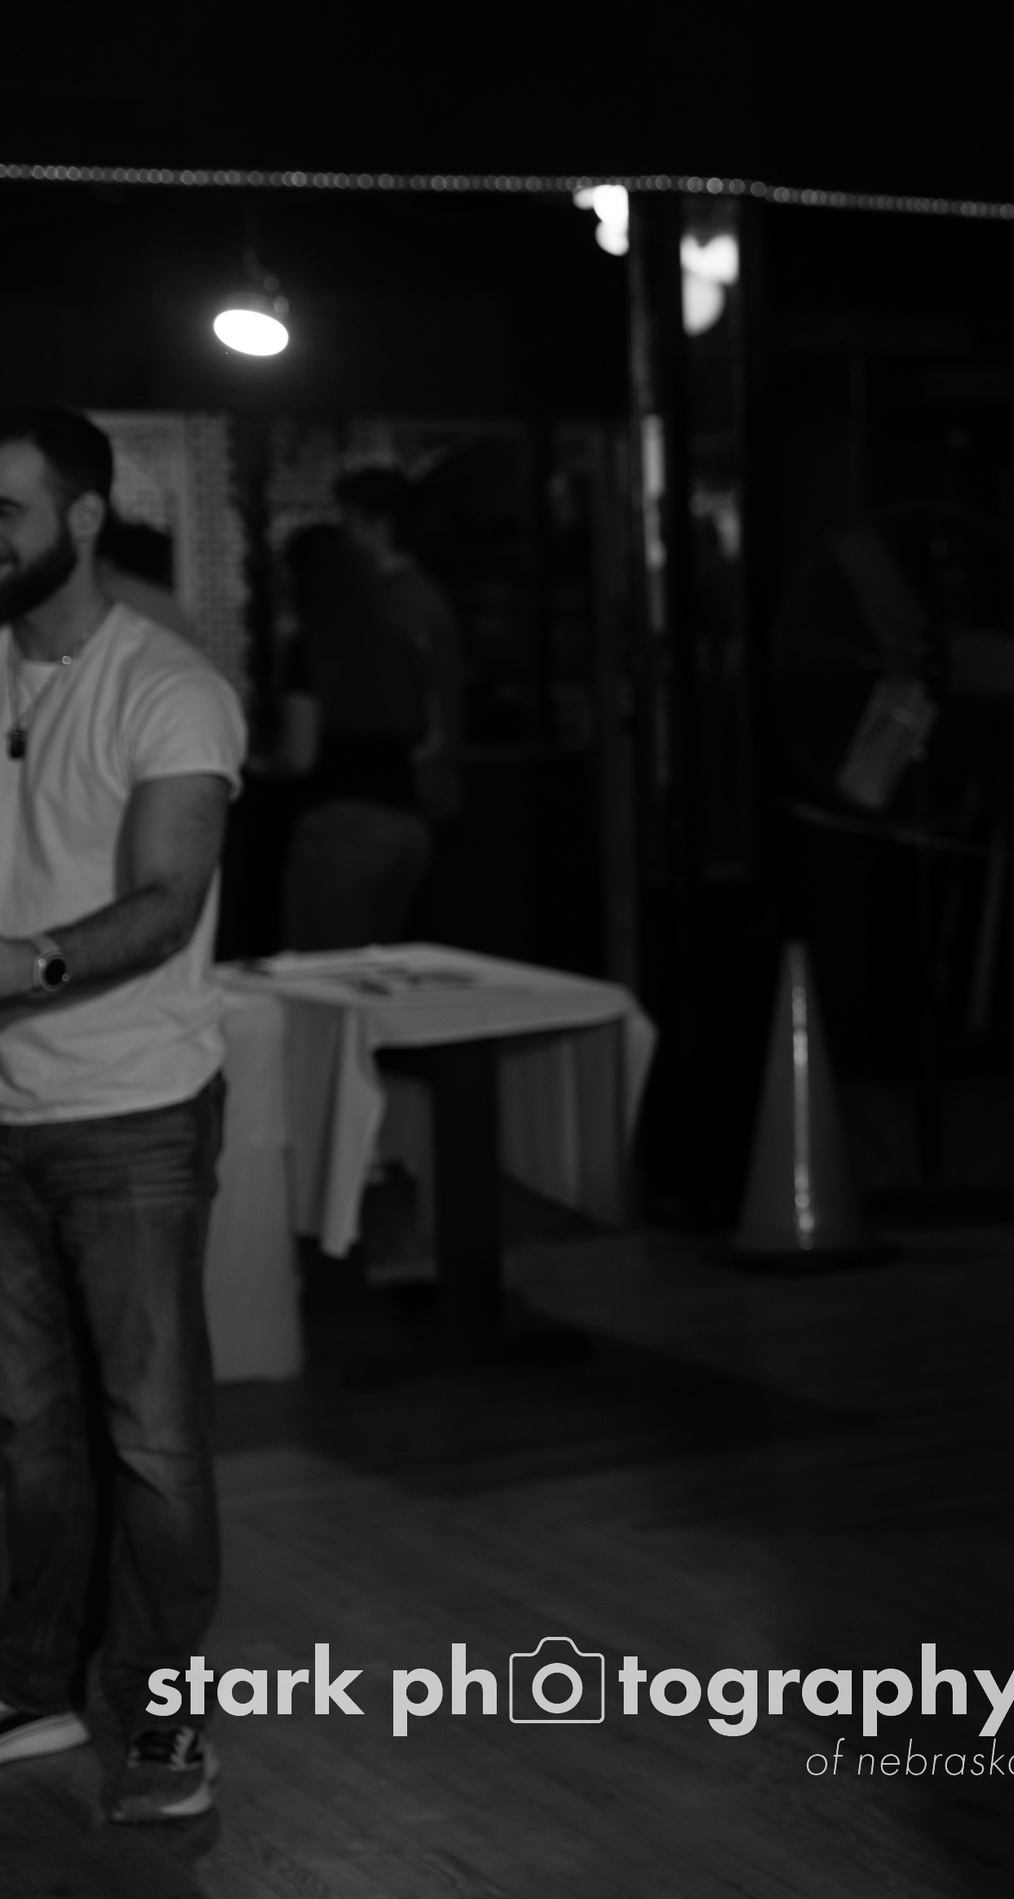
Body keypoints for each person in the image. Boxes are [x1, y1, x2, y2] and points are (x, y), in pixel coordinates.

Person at [0, 405, 248, 1824]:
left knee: (152, 1435)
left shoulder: (170, 686)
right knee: (25, 1427)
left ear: (84, 518)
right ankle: (35, 1679)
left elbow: (165, 903)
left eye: (6, 510)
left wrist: (25, 964)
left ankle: (164, 1716)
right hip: (1, 1109)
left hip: (131, 1110)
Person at [265, 521, 436, 948]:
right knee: (377, 962)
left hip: (340, 827)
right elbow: (430, 739)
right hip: (408, 826)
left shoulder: (309, 649)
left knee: (325, 967)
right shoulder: (400, 646)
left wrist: (259, 766)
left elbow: (299, 757)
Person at [334, 466, 464, 826]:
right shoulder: (398, 594)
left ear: (380, 525)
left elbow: (423, 702)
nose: (345, 535)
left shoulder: (403, 599)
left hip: (410, 793)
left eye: (350, 521)